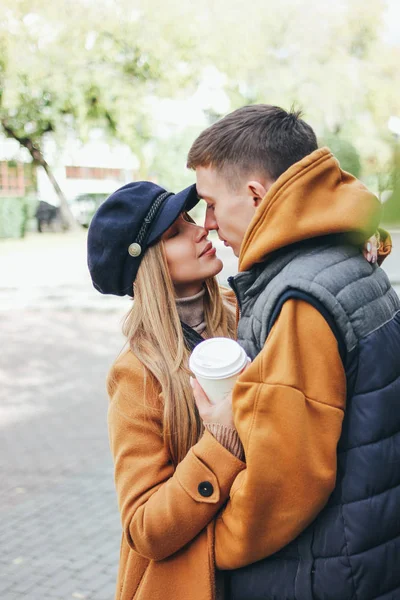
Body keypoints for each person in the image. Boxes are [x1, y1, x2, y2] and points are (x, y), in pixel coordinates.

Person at [188, 105, 400, 600]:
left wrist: (214, 544)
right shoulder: (345, 255)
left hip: (318, 573)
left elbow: (285, 483)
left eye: (213, 204)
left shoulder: (299, 294)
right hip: (364, 555)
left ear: (256, 194)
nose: (210, 223)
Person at [87, 181, 247, 600]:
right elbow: (144, 529)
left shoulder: (246, 312)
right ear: (149, 264)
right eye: (175, 233)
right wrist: (220, 442)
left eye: (191, 219)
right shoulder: (137, 373)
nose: (200, 231)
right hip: (198, 582)